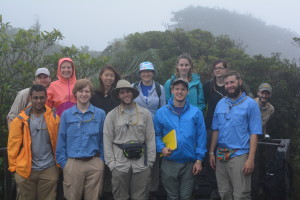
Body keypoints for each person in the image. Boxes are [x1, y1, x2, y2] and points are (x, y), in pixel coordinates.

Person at [209, 71, 262, 200]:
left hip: (240, 155)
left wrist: (251, 159)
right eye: (226, 83)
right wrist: (211, 152)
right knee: (224, 194)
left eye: (232, 82)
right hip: (221, 155)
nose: (229, 85)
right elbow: (215, 130)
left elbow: (254, 133)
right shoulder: (221, 103)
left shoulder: (251, 104)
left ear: (240, 82)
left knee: (241, 195)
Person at [154, 78, 207, 200]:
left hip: (189, 162)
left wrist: (199, 160)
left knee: (186, 196)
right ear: (172, 90)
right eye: (176, 89)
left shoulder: (196, 112)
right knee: (172, 196)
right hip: (169, 162)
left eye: (183, 89)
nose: (179, 92)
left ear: (187, 92)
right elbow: (156, 134)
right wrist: (161, 148)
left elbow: (201, 137)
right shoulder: (161, 112)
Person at [103, 79, 156, 200]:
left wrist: (150, 163)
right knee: (120, 197)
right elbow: (107, 141)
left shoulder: (145, 114)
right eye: (122, 92)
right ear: (118, 95)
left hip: (142, 164)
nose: (126, 95)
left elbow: (150, 138)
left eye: (128, 91)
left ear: (133, 93)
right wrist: (112, 164)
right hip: (120, 164)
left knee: (140, 197)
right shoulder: (111, 116)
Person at [7, 85, 60, 200]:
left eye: (41, 98)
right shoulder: (20, 120)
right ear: (30, 98)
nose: (38, 101)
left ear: (46, 98)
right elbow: (12, 146)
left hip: (49, 168)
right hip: (26, 170)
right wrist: (14, 168)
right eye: (35, 98)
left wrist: (58, 165)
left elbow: (59, 143)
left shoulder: (54, 118)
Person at [56, 79, 106, 200]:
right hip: (73, 163)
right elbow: (61, 139)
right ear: (75, 94)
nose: (84, 94)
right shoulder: (66, 115)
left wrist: (101, 161)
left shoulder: (100, 114)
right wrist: (64, 163)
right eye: (81, 91)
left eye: (87, 91)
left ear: (91, 94)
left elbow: (104, 139)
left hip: (94, 163)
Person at [133, 61, 166, 199]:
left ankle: (153, 190)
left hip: (154, 129)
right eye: (143, 72)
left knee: (153, 159)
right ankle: (137, 190)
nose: (146, 74)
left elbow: (163, 109)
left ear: (153, 73)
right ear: (140, 74)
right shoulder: (133, 87)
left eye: (149, 71)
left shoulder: (160, 88)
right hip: (136, 129)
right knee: (137, 158)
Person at [90, 65, 120, 200]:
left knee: (112, 169)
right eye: (106, 75)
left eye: (111, 75)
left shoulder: (117, 95)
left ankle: (110, 193)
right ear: (101, 76)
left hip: (114, 137)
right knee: (98, 170)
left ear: (115, 78)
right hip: (96, 138)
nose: (108, 78)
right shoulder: (94, 95)